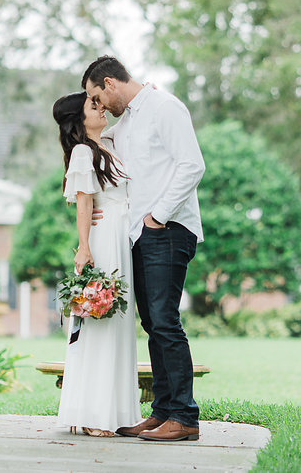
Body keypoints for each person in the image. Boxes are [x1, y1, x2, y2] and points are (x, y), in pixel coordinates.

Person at [83, 55, 205, 442]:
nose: (99, 105)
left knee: (166, 321)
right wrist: (95, 209)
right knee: (152, 323)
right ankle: (163, 411)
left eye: (96, 96)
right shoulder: (128, 122)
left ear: (110, 83)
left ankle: (184, 417)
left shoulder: (165, 108)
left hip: (168, 229)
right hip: (139, 234)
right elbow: (95, 149)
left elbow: (192, 165)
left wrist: (159, 216)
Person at [52, 91, 141, 437]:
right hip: (103, 242)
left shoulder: (107, 144)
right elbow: (85, 201)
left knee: (118, 325)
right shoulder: (82, 152)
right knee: (99, 323)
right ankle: (91, 414)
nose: (102, 108)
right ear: (79, 117)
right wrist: (84, 247)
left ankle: (114, 411)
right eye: (94, 105)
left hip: (122, 237)